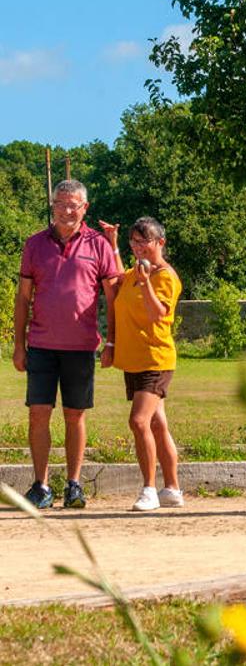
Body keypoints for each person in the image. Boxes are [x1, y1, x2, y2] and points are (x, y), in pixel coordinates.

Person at [12, 180, 119, 509]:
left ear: (85, 208)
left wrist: (111, 342)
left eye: (73, 205)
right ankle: (41, 486)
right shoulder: (34, 244)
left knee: (75, 416)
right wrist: (19, 345)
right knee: (38, 415)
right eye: (60, 203)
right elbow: (23, 298)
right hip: (41, 345)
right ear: (53, 206)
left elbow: (113, 297)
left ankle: (74, 485)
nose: (67, 210)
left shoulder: (98, 245)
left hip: (81, 346)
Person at [110, 217, 184, 512]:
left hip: (155, 358)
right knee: (157, 423)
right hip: (135, 358)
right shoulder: (135, 272)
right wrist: (113, 244)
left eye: (144, 241)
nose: (138, 247)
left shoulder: (165, 276)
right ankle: (173, 489)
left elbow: (158, 314)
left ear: (160, 242)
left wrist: (144, 283)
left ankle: (149, 489)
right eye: (134, 241)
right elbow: (118, 278)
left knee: (138, 421)